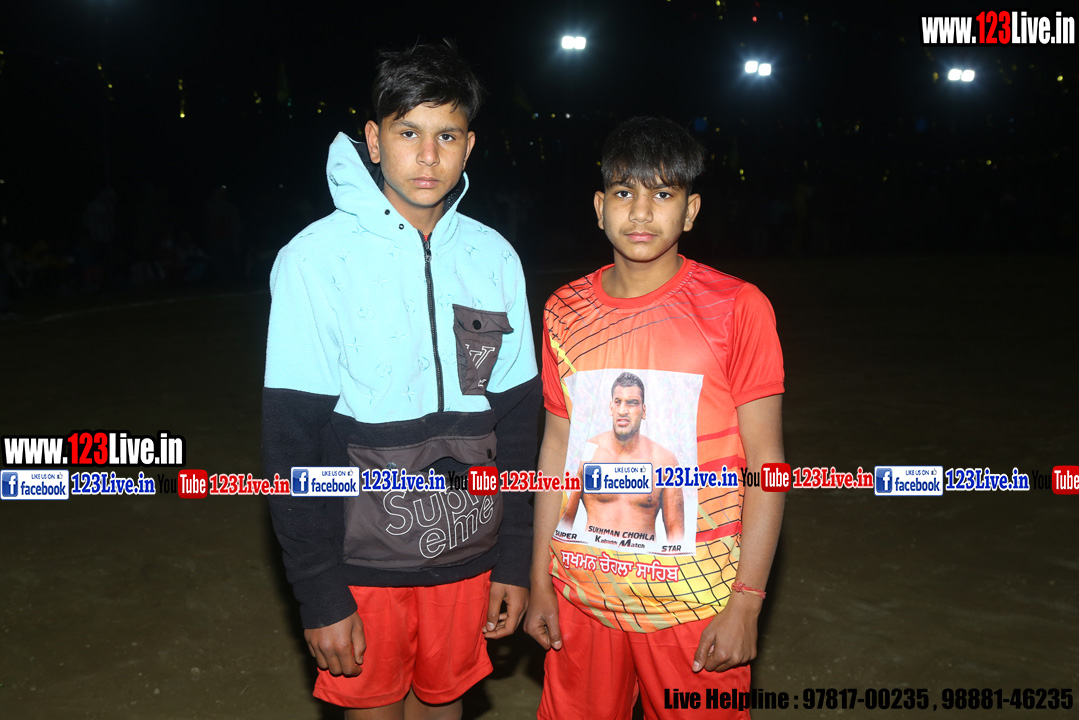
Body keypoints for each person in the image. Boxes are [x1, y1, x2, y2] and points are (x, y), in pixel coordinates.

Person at [263, 42, 540, 720]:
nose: (427, 155)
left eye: (447, 135)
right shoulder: (314, 260)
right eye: (408, 132)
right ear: (373, 139)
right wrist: (320, 591)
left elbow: (519, 425)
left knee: (444, 707)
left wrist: (513, 558)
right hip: (362, 562)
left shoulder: (494, 257)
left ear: (469, 146)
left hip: (469, 554)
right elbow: (292, 441)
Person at [525, 116, 786, 719]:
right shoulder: (564, 310)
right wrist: (540, 578)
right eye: (624, 192)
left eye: (663, 194)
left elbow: (768, 464)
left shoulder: (736, 308)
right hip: (582, 597)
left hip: (694, 604)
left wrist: (746, 602)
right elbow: (556, 451)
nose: (641, 212)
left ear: (690, 211)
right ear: (599, 207)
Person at [558, 371, 684, 543]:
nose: (623, 411)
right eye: (618, 402)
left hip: (644, 559)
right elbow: (564, 522)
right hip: (592, 557)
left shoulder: (665, 461)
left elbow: (676, 535)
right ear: (611, 407)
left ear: (643, 411)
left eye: (632, 403)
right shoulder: (587, 454)